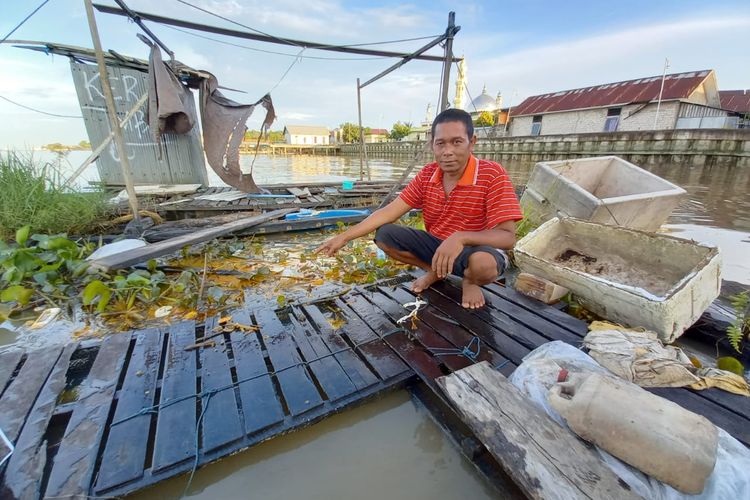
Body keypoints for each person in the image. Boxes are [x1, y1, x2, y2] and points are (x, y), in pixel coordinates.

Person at [316, 108, 523, 309]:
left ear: (472, 143)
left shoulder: (492, 174)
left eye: (457, 142)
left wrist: (461, 237)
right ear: (432, 145)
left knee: (483, 264)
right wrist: (344, 237)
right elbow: (389, 212)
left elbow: (507, 237)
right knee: (386, 235)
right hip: (438, 248)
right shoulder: (427, 175)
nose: (448, 151)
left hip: (476, 250)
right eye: (440, 143)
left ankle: (470, 282)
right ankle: (435, 272)